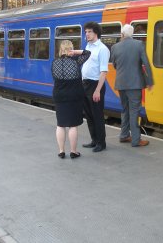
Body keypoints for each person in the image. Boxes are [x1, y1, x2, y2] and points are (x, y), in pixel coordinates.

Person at [111, 24, 153, 147]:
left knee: (125, 110)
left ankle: (124, 135)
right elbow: (146, 63)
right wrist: (150, 81)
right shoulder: (139, 44)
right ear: (132, 34)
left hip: (121, 83)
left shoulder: (115, 47)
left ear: (122, 34)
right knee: (134, 111)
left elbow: (114, 65)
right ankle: (136, 140)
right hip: (135, 84)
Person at [51, 40, 91, 159]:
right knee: (73, 125)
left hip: (60, 96)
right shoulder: (76, 61)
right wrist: (75, 52)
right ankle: (73, 152)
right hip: (74, 96)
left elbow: (55, 78)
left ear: (60, 50)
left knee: (60, 124)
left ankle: (61, 151)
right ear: (71, 49)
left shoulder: (54, 63)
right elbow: (88, 53)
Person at [81, 22, 110, 153]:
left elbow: (103, 71)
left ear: (96, 33)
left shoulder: (102, 49)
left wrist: (98, 90)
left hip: (95, 85)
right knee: (89, 115)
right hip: (85, 84)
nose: (86, 34)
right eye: (86, 32)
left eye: (89, 32)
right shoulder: (88, 46)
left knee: (97, 115)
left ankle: (101, 143)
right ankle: (94, 140)